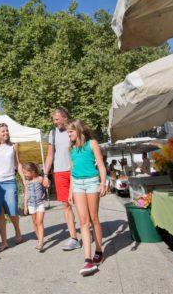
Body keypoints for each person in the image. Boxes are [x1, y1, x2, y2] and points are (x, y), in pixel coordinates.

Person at [66, 118, 107, 276]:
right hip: (77, 184)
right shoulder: (71, 149)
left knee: (94, 218)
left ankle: (99, 250)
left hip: (92, 182)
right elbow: (72, 170)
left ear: (79, 130)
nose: (68, 134)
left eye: (71, 131)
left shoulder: (92, 144)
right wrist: (70, 191)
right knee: (83, 220)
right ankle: (87, 259)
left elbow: (101, 165)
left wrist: (103, 183)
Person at [43, 107, 81, 251]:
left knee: (81, 204)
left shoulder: (75, 130)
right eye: (54, 119)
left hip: (75, 171)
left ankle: (87, 230)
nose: (55, 122)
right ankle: (73, 238)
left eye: (57, 119)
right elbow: (50, 155)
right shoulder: (52, 133)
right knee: (66, 205)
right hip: (60, 172)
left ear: (65, 117)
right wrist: (45, 174)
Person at [0, 123, 25, 252]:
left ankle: (17, 230)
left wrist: (23, 178)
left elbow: (17, 164)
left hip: (9, 181)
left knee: (12, 211)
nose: (6, 133)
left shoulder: (14, 146)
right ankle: (4, 242)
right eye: (3, 131)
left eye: (7, 131)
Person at [22, 162, 47, 252]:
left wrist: (47, 183)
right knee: (35, 222)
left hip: (40, 203)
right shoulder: (27, 182)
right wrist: (25, 206)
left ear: (32, 172)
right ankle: (39, 239)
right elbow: (26, 193)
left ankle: (41, 242)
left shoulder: (40, 179)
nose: (24, 174)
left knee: (39, 222)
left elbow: (46, 184)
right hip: (31, 205)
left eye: (25, 172)